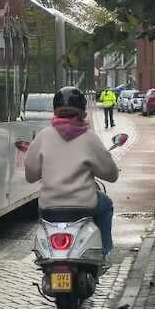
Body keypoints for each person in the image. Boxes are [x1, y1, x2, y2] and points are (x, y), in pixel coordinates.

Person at [24, 86, 119, 257]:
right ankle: (105, 251)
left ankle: (47, 253)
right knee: (106, 206)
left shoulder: (43, 137)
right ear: (82, 111)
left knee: (40, 212)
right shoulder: (90, 138)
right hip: (83, 206)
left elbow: (30, 176)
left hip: (49, 207)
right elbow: (111, 175)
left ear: (55, 111)